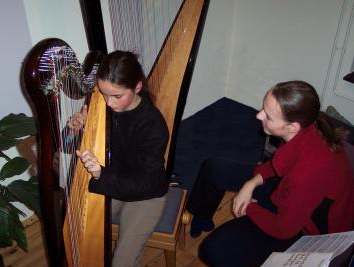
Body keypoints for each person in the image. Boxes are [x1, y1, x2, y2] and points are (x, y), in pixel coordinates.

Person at [186, 80, 354, 266]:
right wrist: (251, 183)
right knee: (214, 167)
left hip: (306, 226)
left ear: (293, 126)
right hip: (288, 191)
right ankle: (201, 218)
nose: (259, 115)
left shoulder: (307, 175)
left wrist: (250, 206)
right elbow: (278, 164)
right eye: (263, 108)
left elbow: (283, 228)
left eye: (268, 116)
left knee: (214, 250)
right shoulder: (306, 128)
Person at [69, 51, 169, 267]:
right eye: (103, 94)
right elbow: (69, 147)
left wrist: (100, 174)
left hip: (146, 193)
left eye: (117, 96)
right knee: (77, 226)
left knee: (121, 263)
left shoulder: (153, 125)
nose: (108, 102)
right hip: (113, 180)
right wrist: (76, 130)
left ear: (138, 87)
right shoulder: (102, 107)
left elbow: (145, 182)